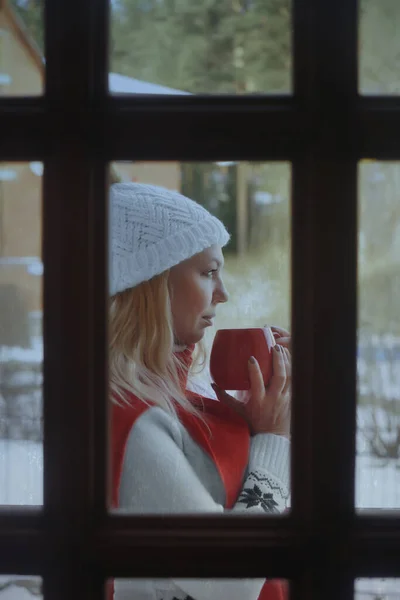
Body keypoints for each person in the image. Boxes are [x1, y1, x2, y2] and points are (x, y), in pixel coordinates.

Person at [109, 182, 291, 600]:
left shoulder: (166, 401)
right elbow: (226, 579)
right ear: (150, 283)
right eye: (209, 272)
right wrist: (273, 441)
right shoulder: (131, 419)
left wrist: (256, 423)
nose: (223, 294)